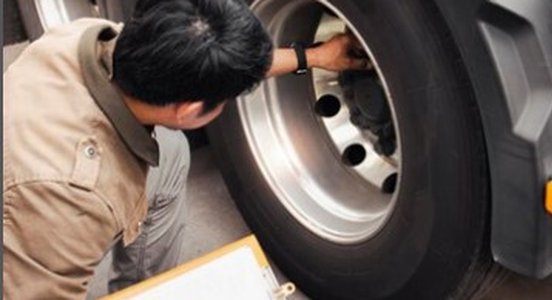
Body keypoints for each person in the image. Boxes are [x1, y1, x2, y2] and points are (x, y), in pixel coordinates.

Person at [2, 0, 370, 299]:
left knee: (171, 150)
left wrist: (314, 57)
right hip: (26, 211)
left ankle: (143, 290)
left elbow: (207, 63)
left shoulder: (89, 38)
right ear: (191, 111)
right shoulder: (71, 199)